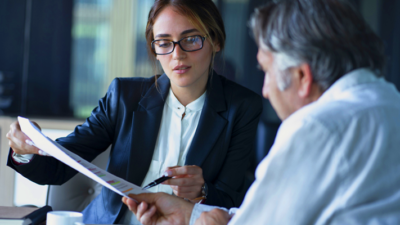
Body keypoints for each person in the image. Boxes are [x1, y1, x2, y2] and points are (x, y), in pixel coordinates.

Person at [121, 0, 400, 224]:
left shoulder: (317, 127)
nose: (265, 90)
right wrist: (188, 215)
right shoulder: (389, 103)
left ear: (303, 76)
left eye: (266, 71)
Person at [6, 0, 262, 224]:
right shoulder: (124, 96)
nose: (177, 55)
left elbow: (233, 202)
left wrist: (202, 191)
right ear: (155, 49)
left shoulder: (242, 107)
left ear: (215, 41)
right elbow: (58, 167)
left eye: (191, 39)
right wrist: (24, 149)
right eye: (164, 43)